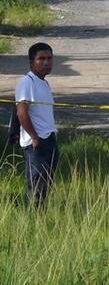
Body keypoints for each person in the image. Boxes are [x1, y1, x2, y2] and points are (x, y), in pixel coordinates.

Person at [16, 42, 59, 209]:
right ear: (31, 61)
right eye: (41, 59)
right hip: (36, 143)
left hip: (49, 139)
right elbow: (21, 113)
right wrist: (34, 137)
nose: (46, 62)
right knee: (36, 187)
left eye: (49, 58)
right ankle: (34, 219)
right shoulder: (27, 83)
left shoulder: (44, 83)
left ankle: (41, 217)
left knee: (45, 184)